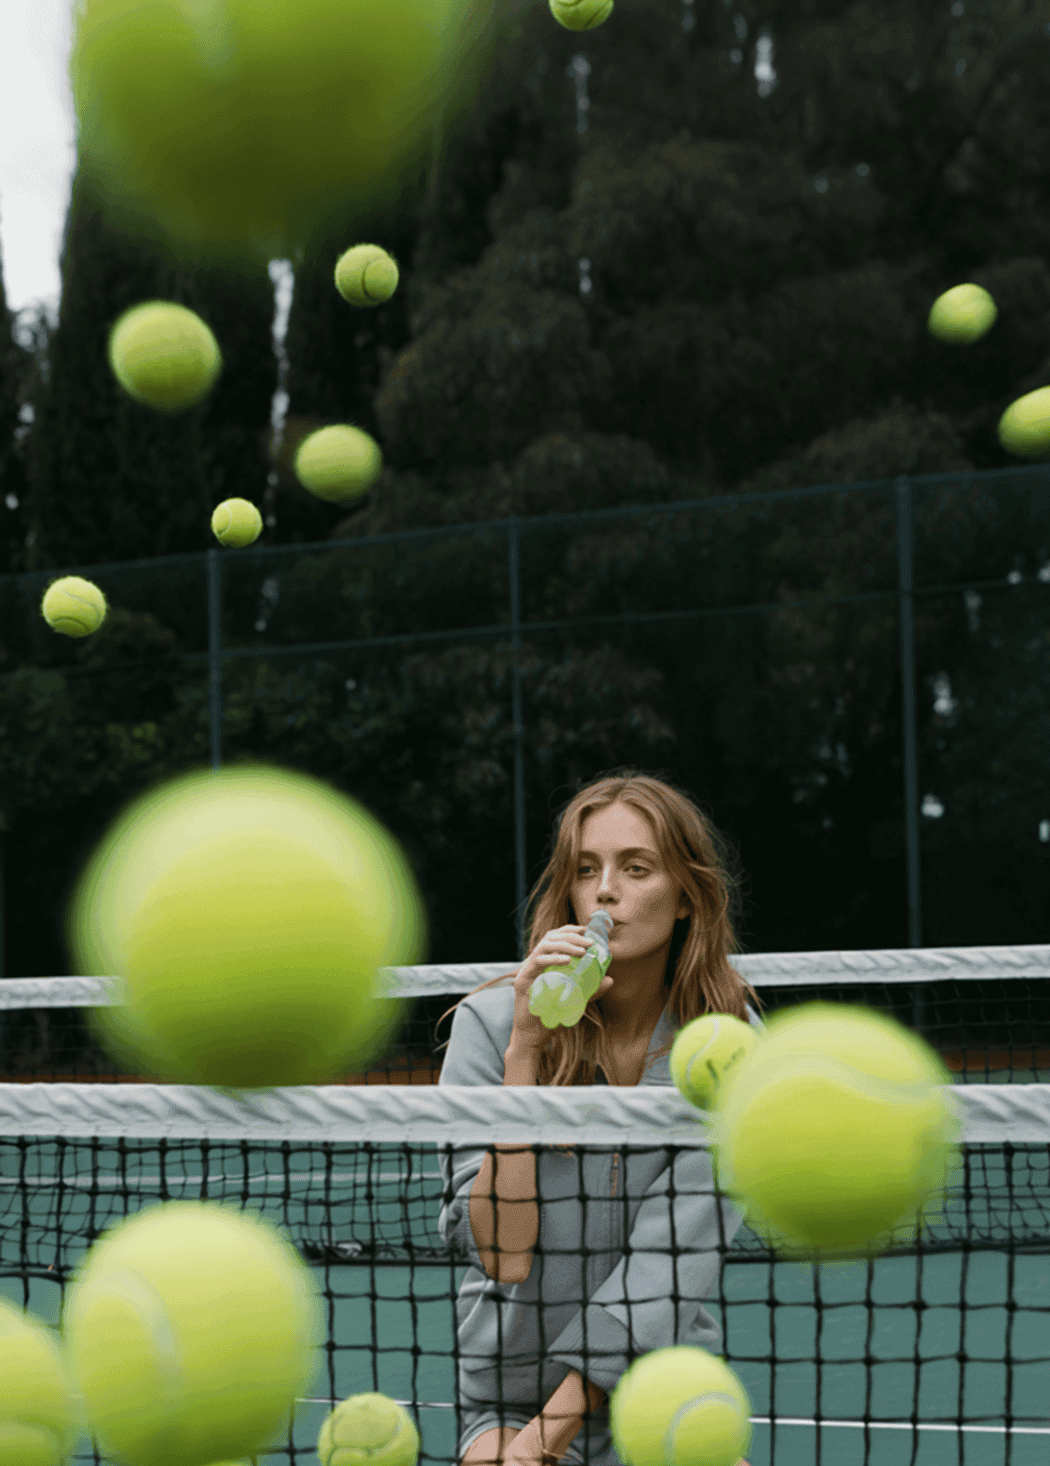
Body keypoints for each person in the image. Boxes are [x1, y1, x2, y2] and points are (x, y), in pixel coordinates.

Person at [435, 771, 760, 1466]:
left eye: (635, 868)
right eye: (587, 870)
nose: (605, 890)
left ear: (684, 897)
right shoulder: (489, 1026)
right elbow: (502, 1252)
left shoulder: (725, 1045)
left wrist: (548, 1440)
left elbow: (668, 1264)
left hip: (664, 1393)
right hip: (510, 1394)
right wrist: (525, 1052)